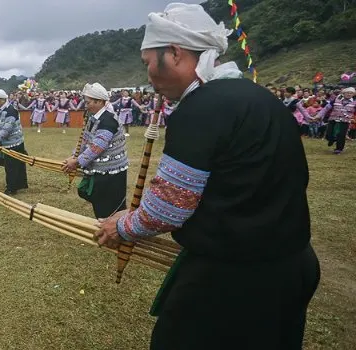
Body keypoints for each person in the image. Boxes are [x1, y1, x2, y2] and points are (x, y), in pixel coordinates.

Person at [95, 4, 320, 350]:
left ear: (173, 52)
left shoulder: (201, 109)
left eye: (147, 63)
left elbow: (169, 208)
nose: (148, 75)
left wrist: (121, 227)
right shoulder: (261, 98)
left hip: (234, 279)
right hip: (293, 266)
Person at [62, 83, 128, 218]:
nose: (86, 105)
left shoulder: (108, 120)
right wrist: (73, 156)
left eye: (88, 102)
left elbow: (96, 147)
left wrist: (77, 162)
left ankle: (113, 231)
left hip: (111, 172)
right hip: (102, 170)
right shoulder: (95, 117)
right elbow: (86, 140)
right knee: (101, 203)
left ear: (99, 102)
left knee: (109, 206)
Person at [0, 89, 28, 195]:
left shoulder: (11, 110)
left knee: (12, 167)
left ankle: (11, 188)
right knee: (2, 161)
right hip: (4, 143)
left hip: (14, 143)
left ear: (2, 100)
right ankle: (18, 183)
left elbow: (6, 129)